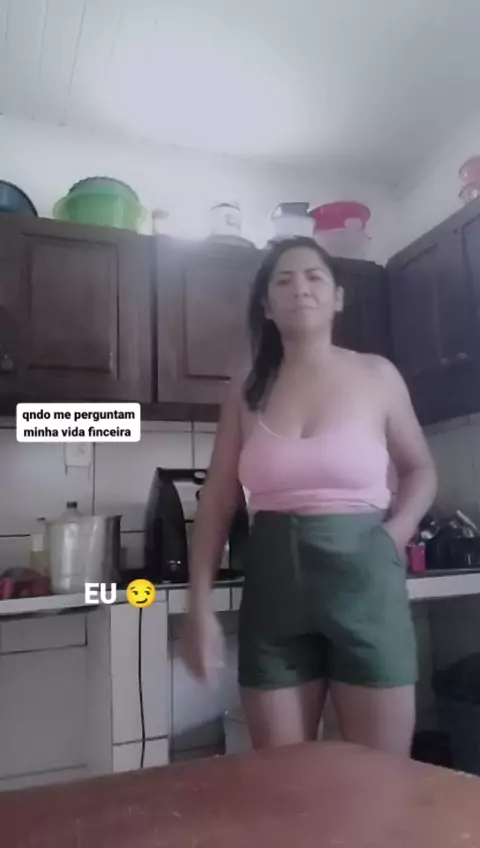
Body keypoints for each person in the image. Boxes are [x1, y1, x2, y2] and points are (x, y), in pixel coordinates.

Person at [182, 236, 437, 756]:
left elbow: (421, 470)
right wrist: (198, 605)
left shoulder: (377, 375)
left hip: (366, 583)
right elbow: (218, 499)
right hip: (274, 595)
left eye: (314, 277)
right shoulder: (246, 390)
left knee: (380, 777)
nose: (300, 288)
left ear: (338, 297)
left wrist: (395, 533)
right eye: (284, 280)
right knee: (285, 782)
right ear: (266, 305)